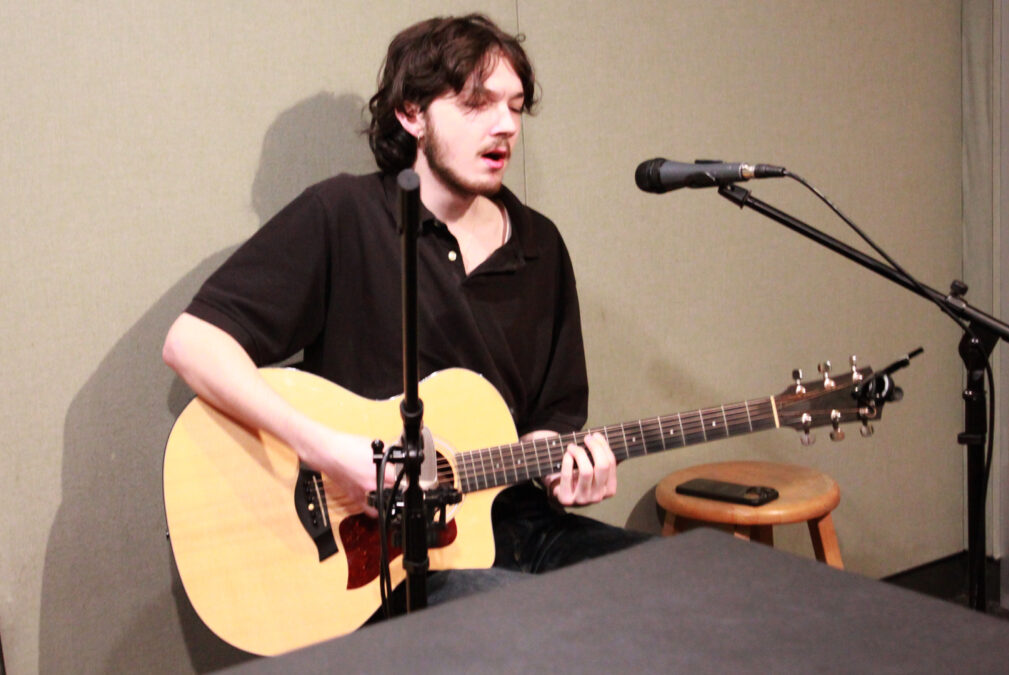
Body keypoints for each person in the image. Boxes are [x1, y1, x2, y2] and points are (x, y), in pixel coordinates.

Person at [163, 13, 648, 604]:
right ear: (411, 114)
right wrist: (331, 452)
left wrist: (568, 470)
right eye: (477, 103)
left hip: (517, 530)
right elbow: (192, 343)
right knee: (526, 627)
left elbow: (551, 420)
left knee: (675, 585)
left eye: (515, 107)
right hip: (379, 560)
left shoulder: (539, 245)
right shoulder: (344, 215)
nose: (505, 127)